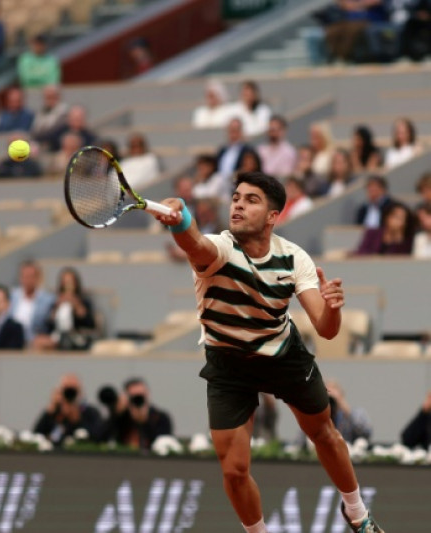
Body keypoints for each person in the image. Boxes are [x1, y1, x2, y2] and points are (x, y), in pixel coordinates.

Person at [151, 171, 384, 533]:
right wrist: (180, 218)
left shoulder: (294, 258)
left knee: (323, 432)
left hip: (282, 354)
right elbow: (195, 243)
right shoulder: (221, 249)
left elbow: (325, 328)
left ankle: (357, 513)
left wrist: (333, 307)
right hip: (228, 363)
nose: (239, 204)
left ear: (273, 216)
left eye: (251, 200)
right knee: (233, 470)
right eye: (236, 198)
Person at [32, 267, 96, 351]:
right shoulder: (55, 302)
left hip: (76, 336)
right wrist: (57, 308)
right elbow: (48, 326)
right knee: (38, 341)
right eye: (65, 282)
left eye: (70, 282)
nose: (67, 286)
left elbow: (90, 324)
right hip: (57, 337)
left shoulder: (84, 302)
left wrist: (76, 305)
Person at [34, 373, 104, 445]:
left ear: (80, 392)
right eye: (66, 390)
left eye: (73, 390)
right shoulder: (53, 413)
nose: (70, 394)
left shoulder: (90, 412)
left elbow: (99, 436)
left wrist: (77, 420)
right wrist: (50, 413)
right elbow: (36, 437)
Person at [114, 377, 173, 451]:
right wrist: (116, 414)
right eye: (134, 396)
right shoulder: (121, 417)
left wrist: (144, 421)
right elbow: (104, 439)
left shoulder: (160, 417)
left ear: (148, 394)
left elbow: (164, 444)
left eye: (142, 395)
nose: (138, 400)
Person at [10, 260, 55, 342]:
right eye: (25, 276)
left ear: (38, 278)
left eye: (31, 276)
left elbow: (48, 325)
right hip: (12, 340)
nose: (28, 280)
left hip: (33, 341)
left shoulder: (48, 300)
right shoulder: (12, 296)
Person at [325, 379, 372, 443]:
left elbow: (366, 432)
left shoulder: (357, 413)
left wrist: (346, 409)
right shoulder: (321, 417)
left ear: (341, 395)